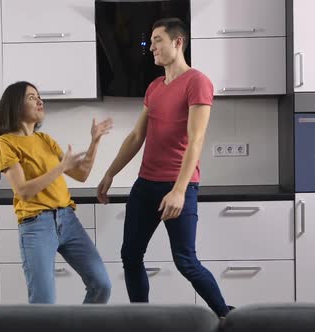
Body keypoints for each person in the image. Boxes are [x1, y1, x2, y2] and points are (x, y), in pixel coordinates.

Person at [96, 18, 231, 317]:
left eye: (158, 40)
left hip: (178, 185)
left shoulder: (197, 82)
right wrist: (109, 173)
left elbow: (196, 140)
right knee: (130, 255)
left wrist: (179, 191)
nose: (152, 47)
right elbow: (135, 136)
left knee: (185, 261)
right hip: (145, 185)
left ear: (178, 42)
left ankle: (225, 315)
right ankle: (141, 318)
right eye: (152, 41)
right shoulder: (155, 86)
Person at [0, 81, 113, 304]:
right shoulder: (4, 143)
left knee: (101, 284)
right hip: (37, 225)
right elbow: (23, 191)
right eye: (31, 97)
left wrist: (94, 141)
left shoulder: (45, 140)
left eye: (39, 96)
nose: (40, 101)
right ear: (15, 105)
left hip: (67, 219)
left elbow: (82, 174)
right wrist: (61, 168)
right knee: (43, 302)